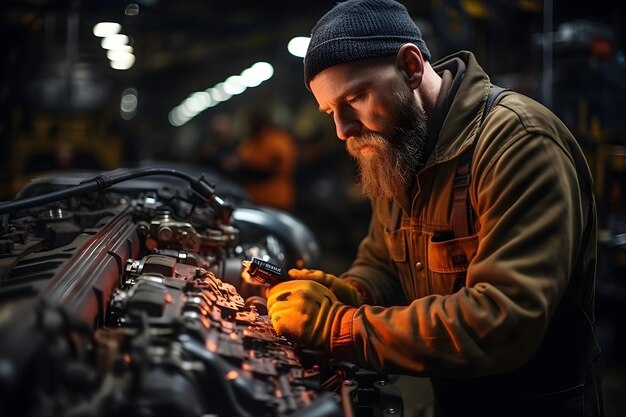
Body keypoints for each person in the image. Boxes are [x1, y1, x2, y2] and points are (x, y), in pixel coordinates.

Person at [264, 0, 604, 416]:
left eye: (355, 98)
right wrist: (356, 291)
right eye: (331, 111)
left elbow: (502, 320)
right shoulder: (399, 147)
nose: (342, 129)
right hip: (441, 400)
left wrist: (340, 327)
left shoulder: (518, 143)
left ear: (410, 66)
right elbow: (383, 262)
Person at [225, 108, 298, 211]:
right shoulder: (251, 141)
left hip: (275, 200)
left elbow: (271, 170)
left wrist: (243, 168)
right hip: (253, 200)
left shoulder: (278, 141)